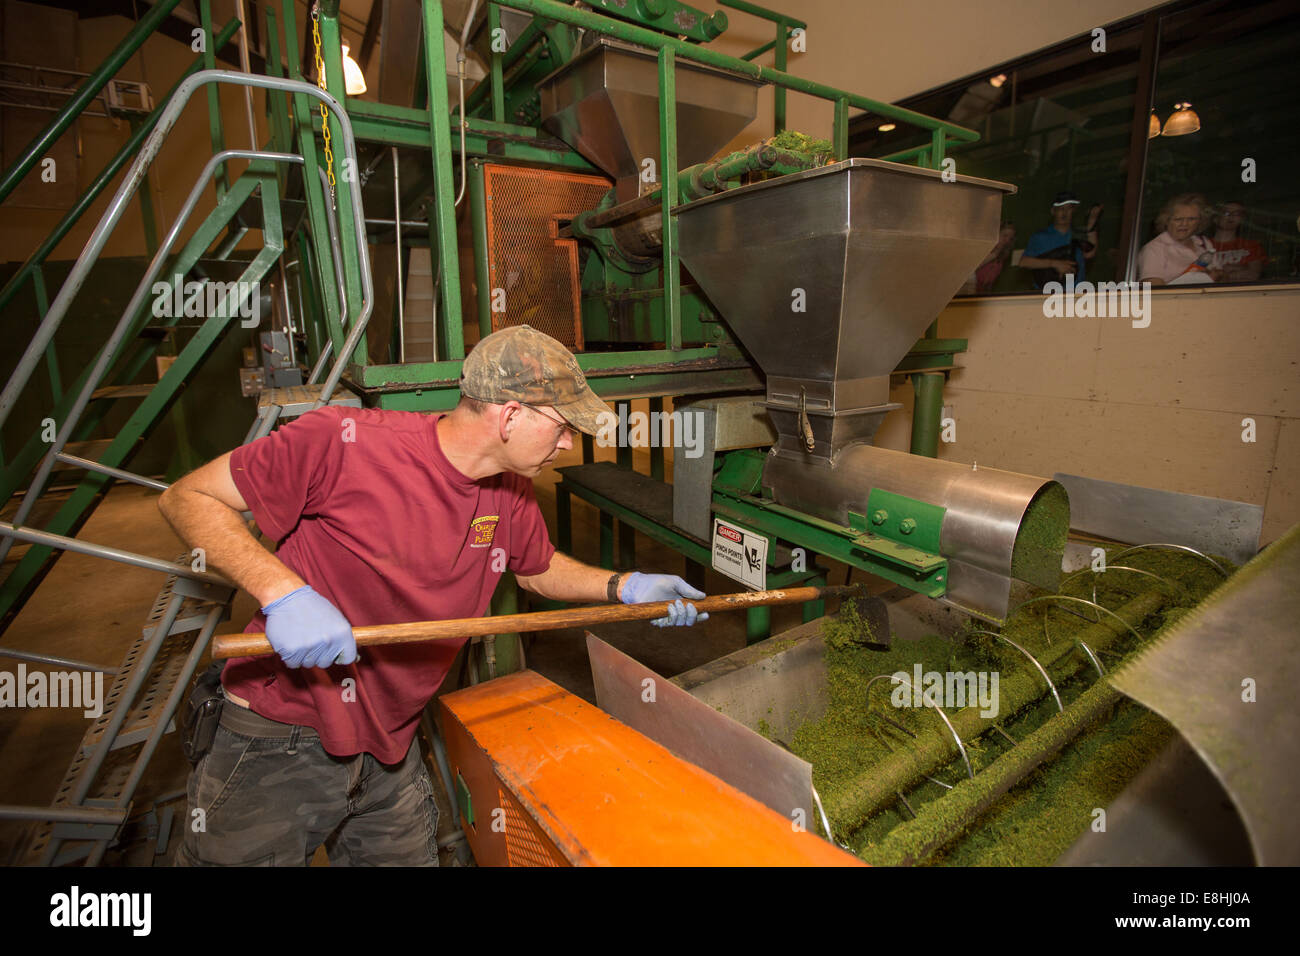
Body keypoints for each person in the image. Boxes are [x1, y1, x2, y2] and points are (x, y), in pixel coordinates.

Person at [160, 324, 709, 866]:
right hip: (281, 732)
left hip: (394, 741)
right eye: (564, 427)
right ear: (511, 415)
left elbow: (537, 569)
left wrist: (625, 586)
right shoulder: (342, 443)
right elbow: (189, 498)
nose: (569, 443)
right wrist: (283, 593)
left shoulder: (509, 487)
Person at [1019, 191, 1102, 290]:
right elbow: (1024, 262)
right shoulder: (1040, 237)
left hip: (1075, 296)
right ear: (1053, 211)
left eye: (1069, 208)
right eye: (1060, 208)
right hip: (1046, 297)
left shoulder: (1077, 235)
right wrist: (1054, 263)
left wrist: (1092, 220)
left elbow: (1090, 253)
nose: (1064, 213)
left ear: (1074, 211)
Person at [1137, 193, 1224, 286]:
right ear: (1166, 220)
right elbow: (1155, 290)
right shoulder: (1154, 248)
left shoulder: (1204, 243)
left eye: (1191, 219)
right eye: (1178, 219)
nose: (1184, 224)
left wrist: (1215, 275)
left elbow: (1221, 276)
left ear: (1200, 221)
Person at [1210, 201, 1266, 282]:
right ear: (1215, 218)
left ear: (1242, 219)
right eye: (1226, 212)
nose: (1231, 216)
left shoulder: (1252, 246)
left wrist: (1220, 274)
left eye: (1237, 213)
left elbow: (1253, 275)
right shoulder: (1201, 244)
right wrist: (1241, 268)